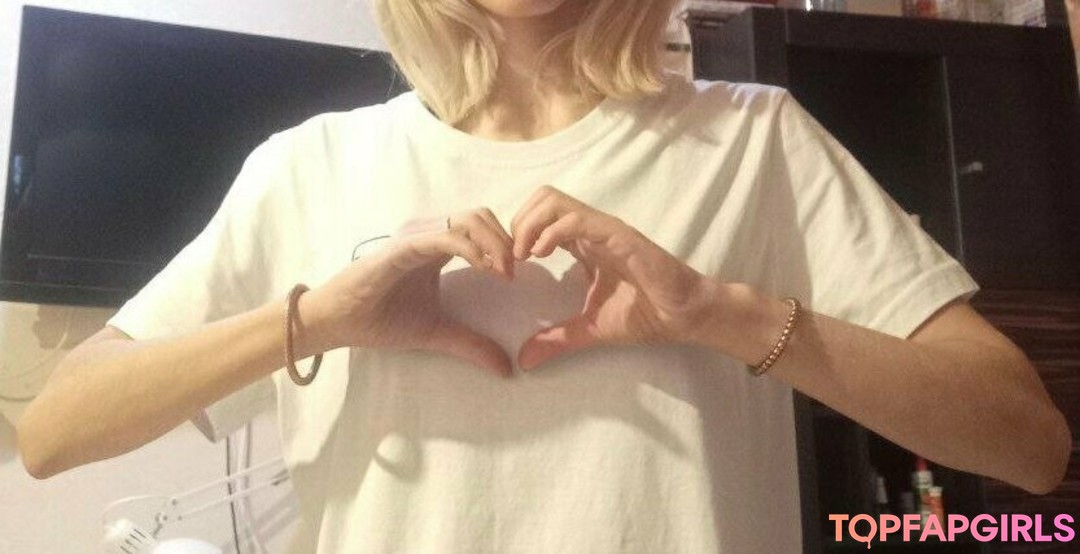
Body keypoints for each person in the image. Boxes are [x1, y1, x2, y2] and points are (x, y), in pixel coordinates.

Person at [17, 0, 1070, 552]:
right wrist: (316, 320)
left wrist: (723, 312)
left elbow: (1029, 447)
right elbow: (56, 430)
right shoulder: (310, 165)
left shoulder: (759, 140)